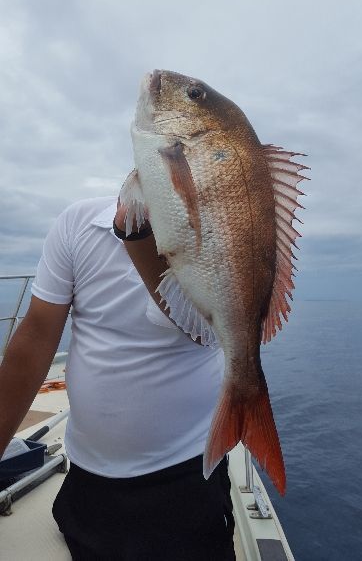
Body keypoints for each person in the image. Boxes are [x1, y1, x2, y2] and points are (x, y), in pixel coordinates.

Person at [0, 193, 235, 560]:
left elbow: (202, 329)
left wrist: (136, 235)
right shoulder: (78, 221)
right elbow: (35, 336)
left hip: (186, 475)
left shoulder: (220, 231)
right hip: (88, 477)